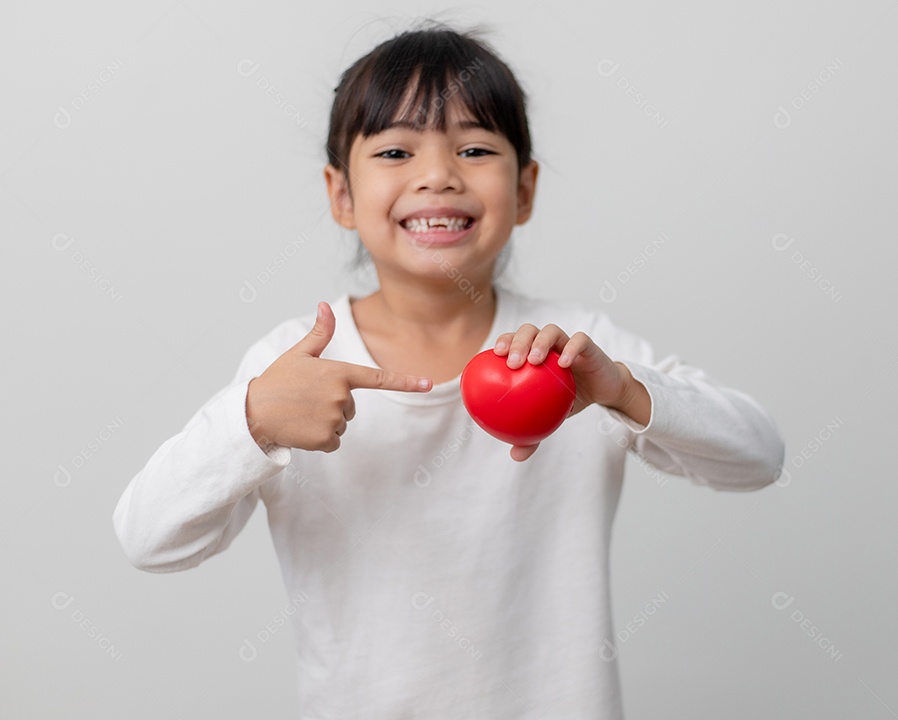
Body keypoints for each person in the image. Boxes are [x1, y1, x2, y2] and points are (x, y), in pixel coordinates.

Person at [112, 20, 785, 719]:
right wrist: (251, 423)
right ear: (339, 193)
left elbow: (760, 457)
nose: (438, 175)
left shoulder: (582, 355)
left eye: (474, 148)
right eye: (397, 150)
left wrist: (623, 391)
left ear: (524, 190)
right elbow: (148, 539)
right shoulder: (296, 367)